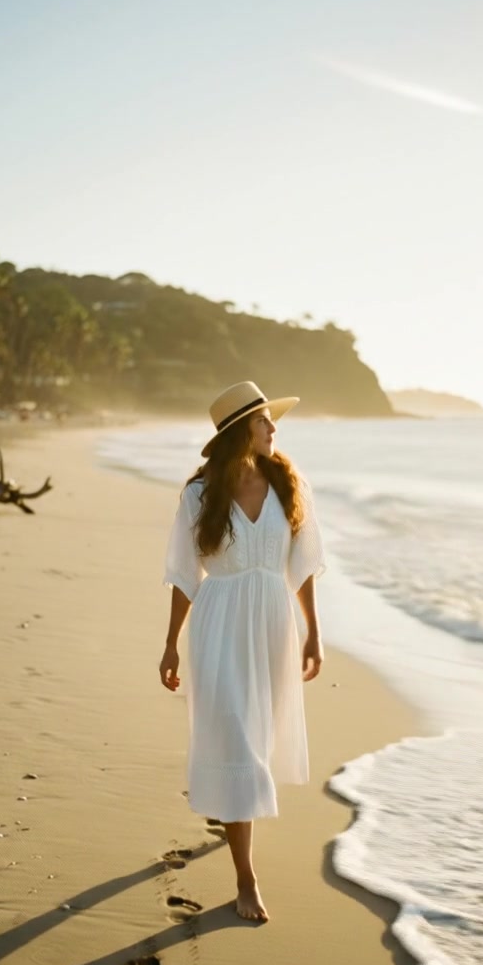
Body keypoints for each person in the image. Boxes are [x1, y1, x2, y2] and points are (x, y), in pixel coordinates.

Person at [160, 380, 325, 922]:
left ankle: (230, 814)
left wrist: (313, 631)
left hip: (271, 625)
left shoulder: (287, 483)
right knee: (235, 735)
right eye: (264, 421)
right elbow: (185, 576)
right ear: (241, 431)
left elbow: (301, 566)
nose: (274, 430)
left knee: (255, 736)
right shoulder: (198, 495)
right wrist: (170, 645)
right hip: (219, 624)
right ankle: (246, 880)